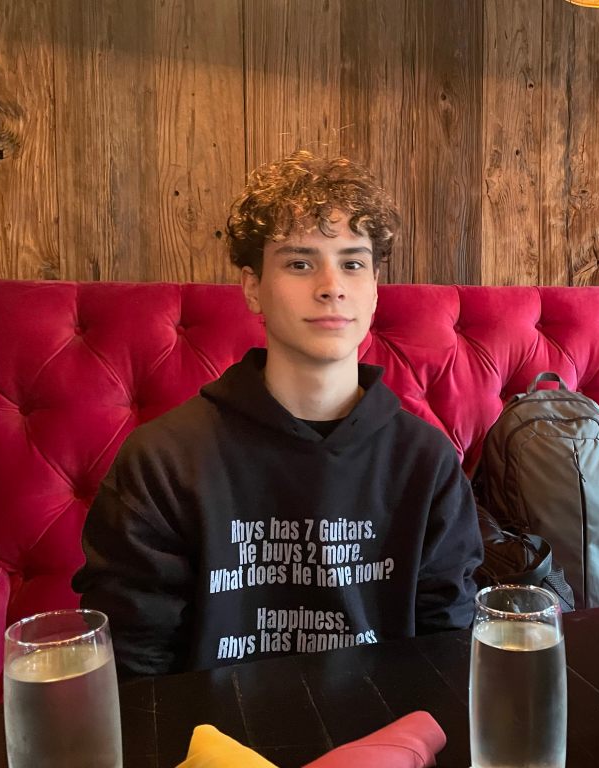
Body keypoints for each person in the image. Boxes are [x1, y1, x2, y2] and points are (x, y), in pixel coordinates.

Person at [73, 151, 483, 678]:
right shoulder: (162, 461)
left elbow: (446, 651)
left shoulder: (426, 462)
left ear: (374, 289)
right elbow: (133, 664)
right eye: (299, 262)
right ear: (251, 287)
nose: (331, 285)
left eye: (353, 263)